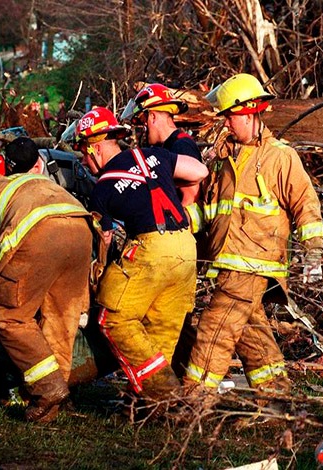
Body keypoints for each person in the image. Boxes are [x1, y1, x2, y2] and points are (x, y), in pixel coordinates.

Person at [183, 73, 323, 399]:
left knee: (215, 329)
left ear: (248, 113)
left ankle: (193, 401)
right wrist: (178, 225)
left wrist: (313, 251)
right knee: (250, 332)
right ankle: (276, 397)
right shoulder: (225, 159)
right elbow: (210, 212)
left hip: (253, 262)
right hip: (229, 262)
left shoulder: (279, 157)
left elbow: (306, 204)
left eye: (230, 117)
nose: (226, 124)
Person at [69, 107, 208, 404]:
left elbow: (104, 240)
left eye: (83, 153)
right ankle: (152, 406)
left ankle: (164, 390)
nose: (84, 162)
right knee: (161, 332)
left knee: (112, 319)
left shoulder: (103, 188)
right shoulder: (154, 155)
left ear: (95, 148)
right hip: (186, 248)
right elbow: (200, 171)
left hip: (151, 249)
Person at [0, 156, 93, 423]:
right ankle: (56, 398)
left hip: (39, 232)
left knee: (8, 316)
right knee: (61, 318)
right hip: (82, 229)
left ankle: (48, 388)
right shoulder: (27, 182)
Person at [121, 83, 202, 206]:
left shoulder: (181, 146)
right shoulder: (166, 147)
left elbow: (190, 197)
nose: (143, 129)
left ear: (152, 117)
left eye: (143, 122)